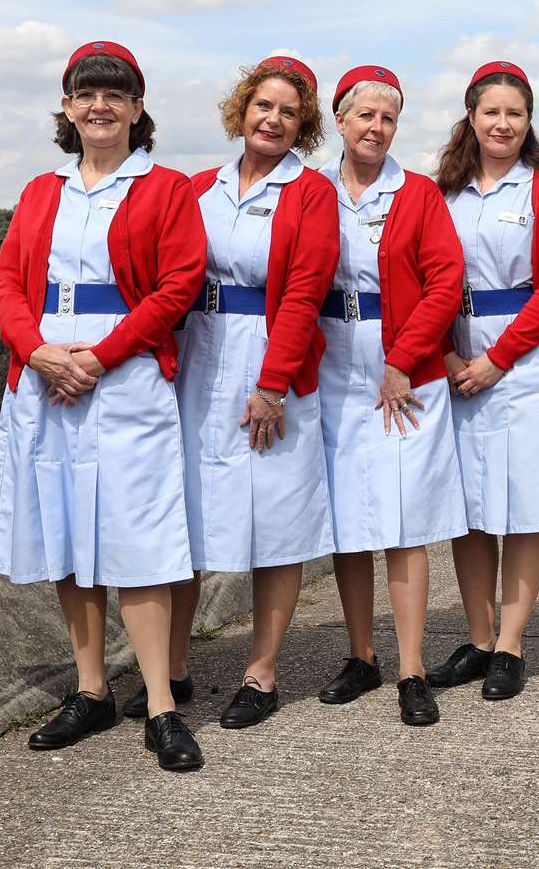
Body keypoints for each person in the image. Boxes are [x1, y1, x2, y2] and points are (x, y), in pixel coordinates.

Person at [0, 41, 207, 770]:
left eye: (115, 93)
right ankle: (91, 689)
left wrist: (100, 356)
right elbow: (9, 280)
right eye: (85, 93)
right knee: (70, 537)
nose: (99, 104)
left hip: (125, 379)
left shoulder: (165, 188)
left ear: (138, 109)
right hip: (45, 378)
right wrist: (36, 350)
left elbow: (179, 284)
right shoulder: (43, 190)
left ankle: (161, 704)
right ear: (68, 108)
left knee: (135, 539)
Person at [166, 56, 339, 733]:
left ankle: (260, 671)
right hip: (199, 359)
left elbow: (304, 290)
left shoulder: (311, 193)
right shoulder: (197, 188)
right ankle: (173, 665)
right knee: (188, 517)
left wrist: (272, 384)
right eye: (262, 106)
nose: (272, 120)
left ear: (304, 126)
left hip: (272, 362)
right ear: (242, 111)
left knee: (276, 520)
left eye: (288, 112)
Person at [318, 65, 469, 726]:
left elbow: (444, 282)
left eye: (387, 118)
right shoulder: (310, 190)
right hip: (331, 364)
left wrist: (403, 360)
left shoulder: (420, 195)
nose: (376, 127)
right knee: (349, 524)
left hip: (403, 368)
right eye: (365, 116)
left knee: (404, 524)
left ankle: (411, 667)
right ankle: (361, 655)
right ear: (341, 121)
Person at [432, 61, 539, 701]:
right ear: (471, 117)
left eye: (514, 114)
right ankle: (480, 636)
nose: (502, 123)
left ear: (528, 123)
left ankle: (514, 645)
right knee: (470, 511)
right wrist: (442, 355)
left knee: (524, 509)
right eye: (491, 112)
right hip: (456, 360)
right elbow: (422, 278)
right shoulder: (443, 193)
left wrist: (500, 358)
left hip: (522, 364)